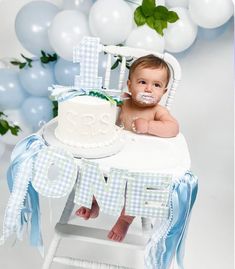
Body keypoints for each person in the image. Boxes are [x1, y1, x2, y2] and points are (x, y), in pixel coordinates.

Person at [76, 54, 179, 242]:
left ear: (163, 92)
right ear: (130, 85)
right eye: (142, 82)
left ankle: (124, 219)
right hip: (116, 157)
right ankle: (94, 202)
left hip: (140, 165)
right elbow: (104, 112)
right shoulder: (123, 103)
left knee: (137, 191)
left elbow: (173, 129)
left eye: (156, 85)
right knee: (98, 174)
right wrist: (111, 102)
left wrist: (149, 126)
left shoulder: (158, 111)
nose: (149, 88)